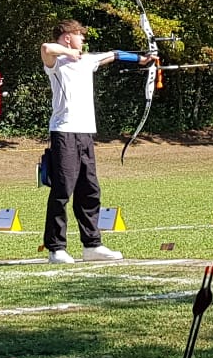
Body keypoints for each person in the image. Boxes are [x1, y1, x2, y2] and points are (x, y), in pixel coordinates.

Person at [41, 20, 142, 264]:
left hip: (85, 133)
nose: (83, 39)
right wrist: (69, 53)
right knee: (63, 189)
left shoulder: (87, 60)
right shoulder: (56, 62)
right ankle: (56, 248)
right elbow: (46, 48)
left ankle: (92, 245)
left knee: (90, 190)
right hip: (64, 132)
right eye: (79, 35)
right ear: (67, 37)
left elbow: (114, 55)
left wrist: (142, 59)